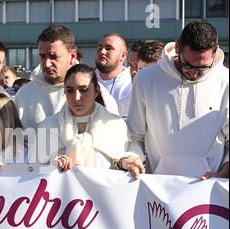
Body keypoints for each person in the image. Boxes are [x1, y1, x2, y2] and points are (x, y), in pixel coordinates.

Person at [126, 20, 229, 179]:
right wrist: (133, 159)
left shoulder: (226, 81)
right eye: (188, 65)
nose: (194, 73)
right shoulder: (146, 79)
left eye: (202, 67)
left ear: (215, 52)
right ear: (177, 48)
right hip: (159, 188)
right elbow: (134, 136)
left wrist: (226, 170)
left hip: (210, 187)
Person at [38, 64, 142, 176]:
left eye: (84, 90)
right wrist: (53, 163)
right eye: (70, 91)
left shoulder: (115, 126)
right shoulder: (48, 127)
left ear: (96, 90)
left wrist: (124, 163)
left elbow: (118, 162)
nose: (77, 97)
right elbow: (33, 171)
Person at [14, 25, 118, 129]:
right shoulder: (24, 95)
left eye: (54, 57)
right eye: (42, 56)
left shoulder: (97, 94)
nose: (47, 63)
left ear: (72, 56)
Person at [95, 33, 133, 104]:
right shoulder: (87, 80)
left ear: (123, 56)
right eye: (100, 47)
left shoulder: (132, 83)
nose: (102, 52)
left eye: (108, 48)